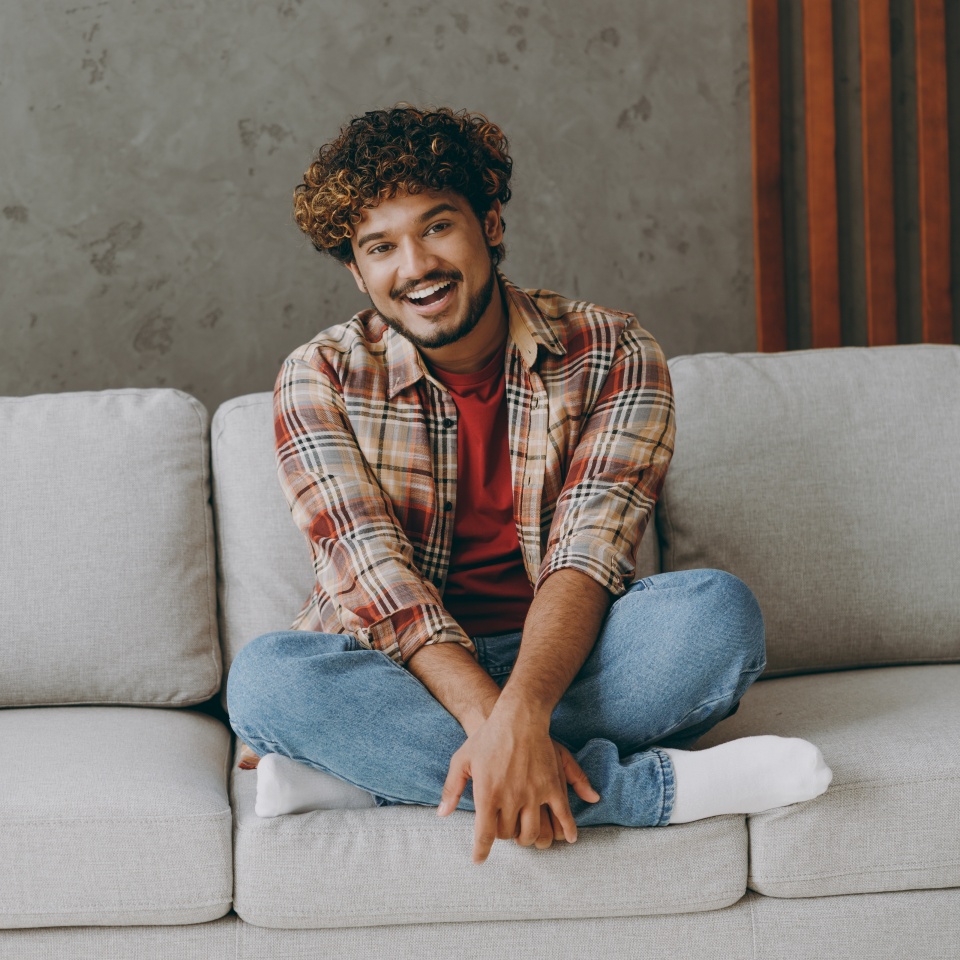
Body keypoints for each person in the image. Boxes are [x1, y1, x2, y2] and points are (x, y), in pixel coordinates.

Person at [226, 105, 831, 864]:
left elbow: (589, 553)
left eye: (437, 227)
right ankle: (646, 793)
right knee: (265, 682)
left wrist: (524, 710)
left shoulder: (612, 348)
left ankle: (376, 776)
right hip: (400, 670)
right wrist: (494, 720)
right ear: (357, 269)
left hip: (571, 656)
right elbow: (378, 584)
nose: (413, 267)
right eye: (381, 247)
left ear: (491, 223)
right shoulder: (318, 376)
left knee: (715, 617)